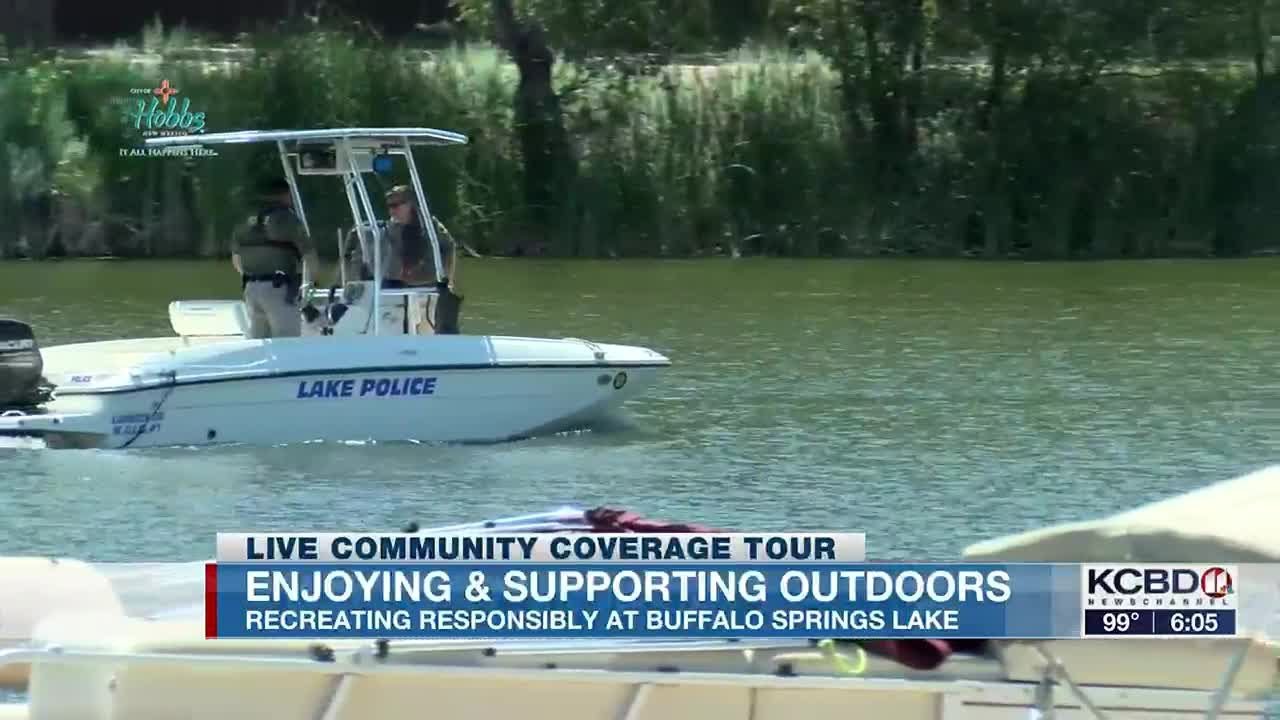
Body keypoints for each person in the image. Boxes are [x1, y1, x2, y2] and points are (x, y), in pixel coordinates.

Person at [230, 177, 321, 339]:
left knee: (259, 341)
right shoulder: (286, 218)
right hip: (279, 289)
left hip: (251, 288)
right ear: (286, 194)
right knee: (287, 341)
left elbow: (236, 260)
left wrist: (253, 278)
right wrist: (312, 283)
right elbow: (309, 255)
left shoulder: (246, 220)